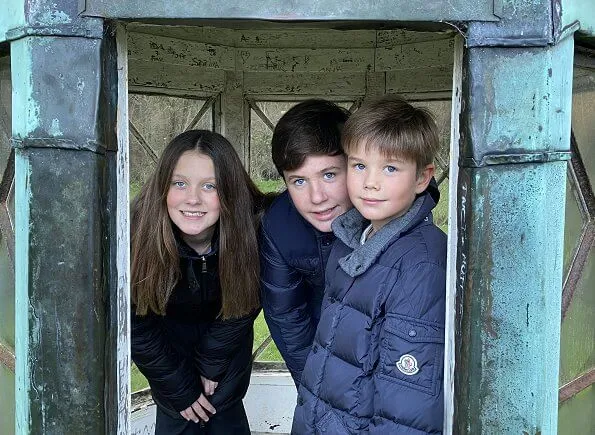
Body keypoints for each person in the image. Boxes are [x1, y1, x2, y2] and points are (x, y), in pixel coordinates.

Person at [292, 95, 447, 434]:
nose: (370, 183)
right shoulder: (351, 238)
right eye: (359, 165)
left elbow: (406, 412)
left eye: (390, 168)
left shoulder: (422, 265)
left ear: (422, 178)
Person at [130, 130, 264, 435]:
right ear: (163, 187)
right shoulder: (137, 235)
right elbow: (135, 323)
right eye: (180, 183)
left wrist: (212, 361)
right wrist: (178, 386)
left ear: (230, 191)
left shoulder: (254, 229)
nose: (193, 199)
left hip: (226, 369)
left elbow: (249, 300)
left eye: (210, 186)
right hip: (169, 369)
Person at [259, 99, 352, 386]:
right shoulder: (280, 225)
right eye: (298, 181)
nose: (316, 197)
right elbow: (286, 316)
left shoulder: (389, 215)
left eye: (329, 174)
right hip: (319, 348)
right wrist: (315, 388)